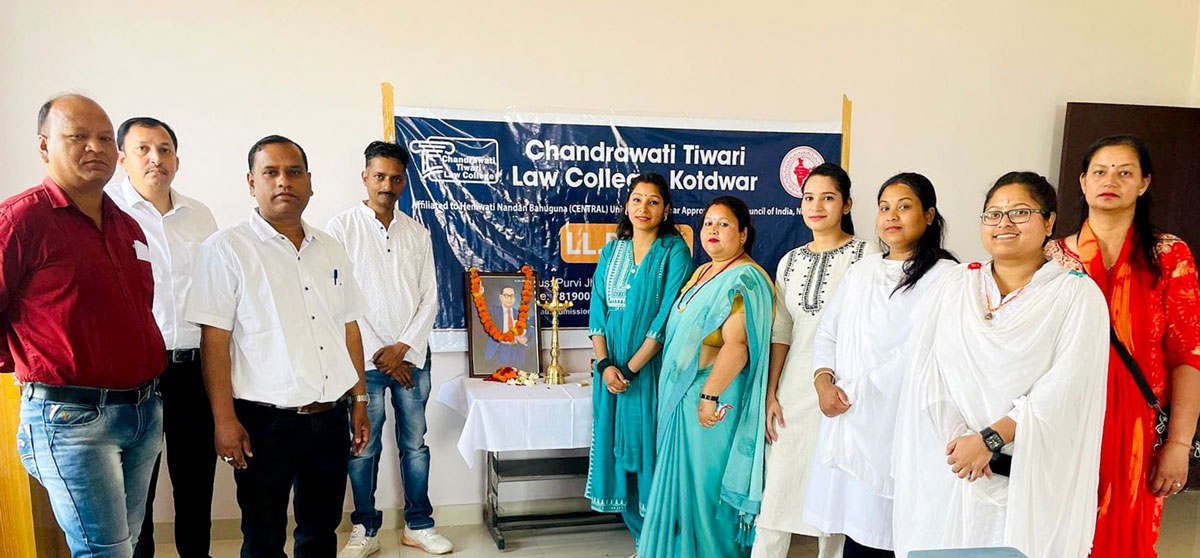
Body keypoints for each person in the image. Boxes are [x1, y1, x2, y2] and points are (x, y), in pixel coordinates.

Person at [892, 172, 1109, 558]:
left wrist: (990, 440)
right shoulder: (955, 284)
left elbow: (1065, 389)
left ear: (1049, 222)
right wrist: (963, 445)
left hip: (1029, 472)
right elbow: (928, 372)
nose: (1003, 223)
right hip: (953, 464)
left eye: (1019, 212)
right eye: (993, 214)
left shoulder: (1076, 293)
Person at [186, 135, 371, 557]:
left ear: (310, 182)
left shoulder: (331, 248)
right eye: (271, 172)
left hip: (328, 418)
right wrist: (223, 420)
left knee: (321, 531)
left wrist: (360, 399)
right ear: (252, 183)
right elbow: (215, 340)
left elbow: (349, 328)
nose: (283, 181)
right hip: (263, 424)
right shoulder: (226, 249)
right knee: (263, 535)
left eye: (294, 172)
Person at [2, 94, 166, 556]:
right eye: (77, 137)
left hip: (142, 411)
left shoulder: (126, 225)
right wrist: (30, 354)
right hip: (71, 417)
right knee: (105, 551)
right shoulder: (20, 220)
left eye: (102, 138)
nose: (94, 147)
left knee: (126, 546)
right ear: (44, 147)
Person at [1046, 135, 1200, 558]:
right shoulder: (1052, 259)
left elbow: (1188, 357)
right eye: (1099, 171)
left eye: (1125, 172)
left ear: (1144, 183)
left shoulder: (1170, 256)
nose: (1110, 180)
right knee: (1059, 536)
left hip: (1140, 436)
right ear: (1082, 181)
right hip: (1065, 428)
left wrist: (1179, 445)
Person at [801, 172, 957, 558]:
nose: (892, 216)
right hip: (850, 420)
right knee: (856, 533)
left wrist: (853, 390)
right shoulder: (863, 270)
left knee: (895, 534)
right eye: (885, 208)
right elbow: (829, 334)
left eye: (904, 207)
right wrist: (823, 381)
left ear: (929, 215)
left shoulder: (947, 277)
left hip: (900, 426)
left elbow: (925, 350)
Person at [327, 141, 452, 556]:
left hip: (412, 358)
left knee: (415, 445)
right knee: (363, 447)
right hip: (363, 361)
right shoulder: (340, 229)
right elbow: (339, 298)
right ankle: (364, 528)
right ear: (365, 177)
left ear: (404, 181)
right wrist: (384, 351)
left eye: (396, 178)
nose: (387, 184)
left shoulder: (416, 232)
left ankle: (418, 524)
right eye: (379, 176)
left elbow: (429, 297)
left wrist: (404, 348)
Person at [106, 116, 220, 558]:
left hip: (193, 370)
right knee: (138, 490)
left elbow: (215, 294)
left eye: (165, 149)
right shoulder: (106, 212)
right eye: (143, 149)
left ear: (177, 159)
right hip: (134, 375)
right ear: (122, 159)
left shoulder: (200, 215)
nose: (156, 158)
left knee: (196, 482)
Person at [637, 196, 774, 558]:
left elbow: (738, 344)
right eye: (708, 223)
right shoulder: (702, 272)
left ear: (743, 234)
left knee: (704, 489)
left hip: (712, 400)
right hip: (683, 398)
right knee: (683, 489)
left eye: (724, 224)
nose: (712, 230)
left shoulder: (745, 277)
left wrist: (709, 395)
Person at [753, 163, 877, 558]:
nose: (817, 206)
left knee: (835, 496)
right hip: (794, 390)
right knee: (778, 494)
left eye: (828, 197)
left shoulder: (867, 255)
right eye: (809, 198)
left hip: (844, 391)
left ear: (847, 204)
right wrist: (771, 394)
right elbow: (781, 333)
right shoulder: (789, 261)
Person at [586, 172, 693, 551]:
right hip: (610, 371)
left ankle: (660, 542)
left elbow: (665, 316)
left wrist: (630, 368)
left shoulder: (674, 251)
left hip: (649, 371)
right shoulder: (611, 250)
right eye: (636, 199)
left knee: (652, 451)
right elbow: (597, 310)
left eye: (653, 201)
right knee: (618, 452)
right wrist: (604, 366)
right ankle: (640, 539)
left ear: (666, 209)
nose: (643, 207)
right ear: (626, 205)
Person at [484, 285, 533, 370]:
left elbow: (530, 329)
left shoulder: (520, 313)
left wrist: (526, 339)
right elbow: (477, 313)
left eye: (512, 296)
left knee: (518, 377)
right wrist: (478, 294)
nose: (509, 299)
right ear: (501, 297)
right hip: (500, 350)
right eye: (506, 295)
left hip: (517, 351)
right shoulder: (493, 311)